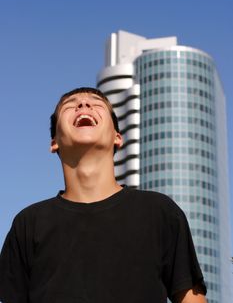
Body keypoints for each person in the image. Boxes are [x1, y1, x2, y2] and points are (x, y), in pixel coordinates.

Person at [0, 87, 207, 303]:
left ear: (117, 137)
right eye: (70, 105)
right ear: (54, 142)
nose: (83, 105)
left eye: (96, 103)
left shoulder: (159, 211)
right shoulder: (28, 223)